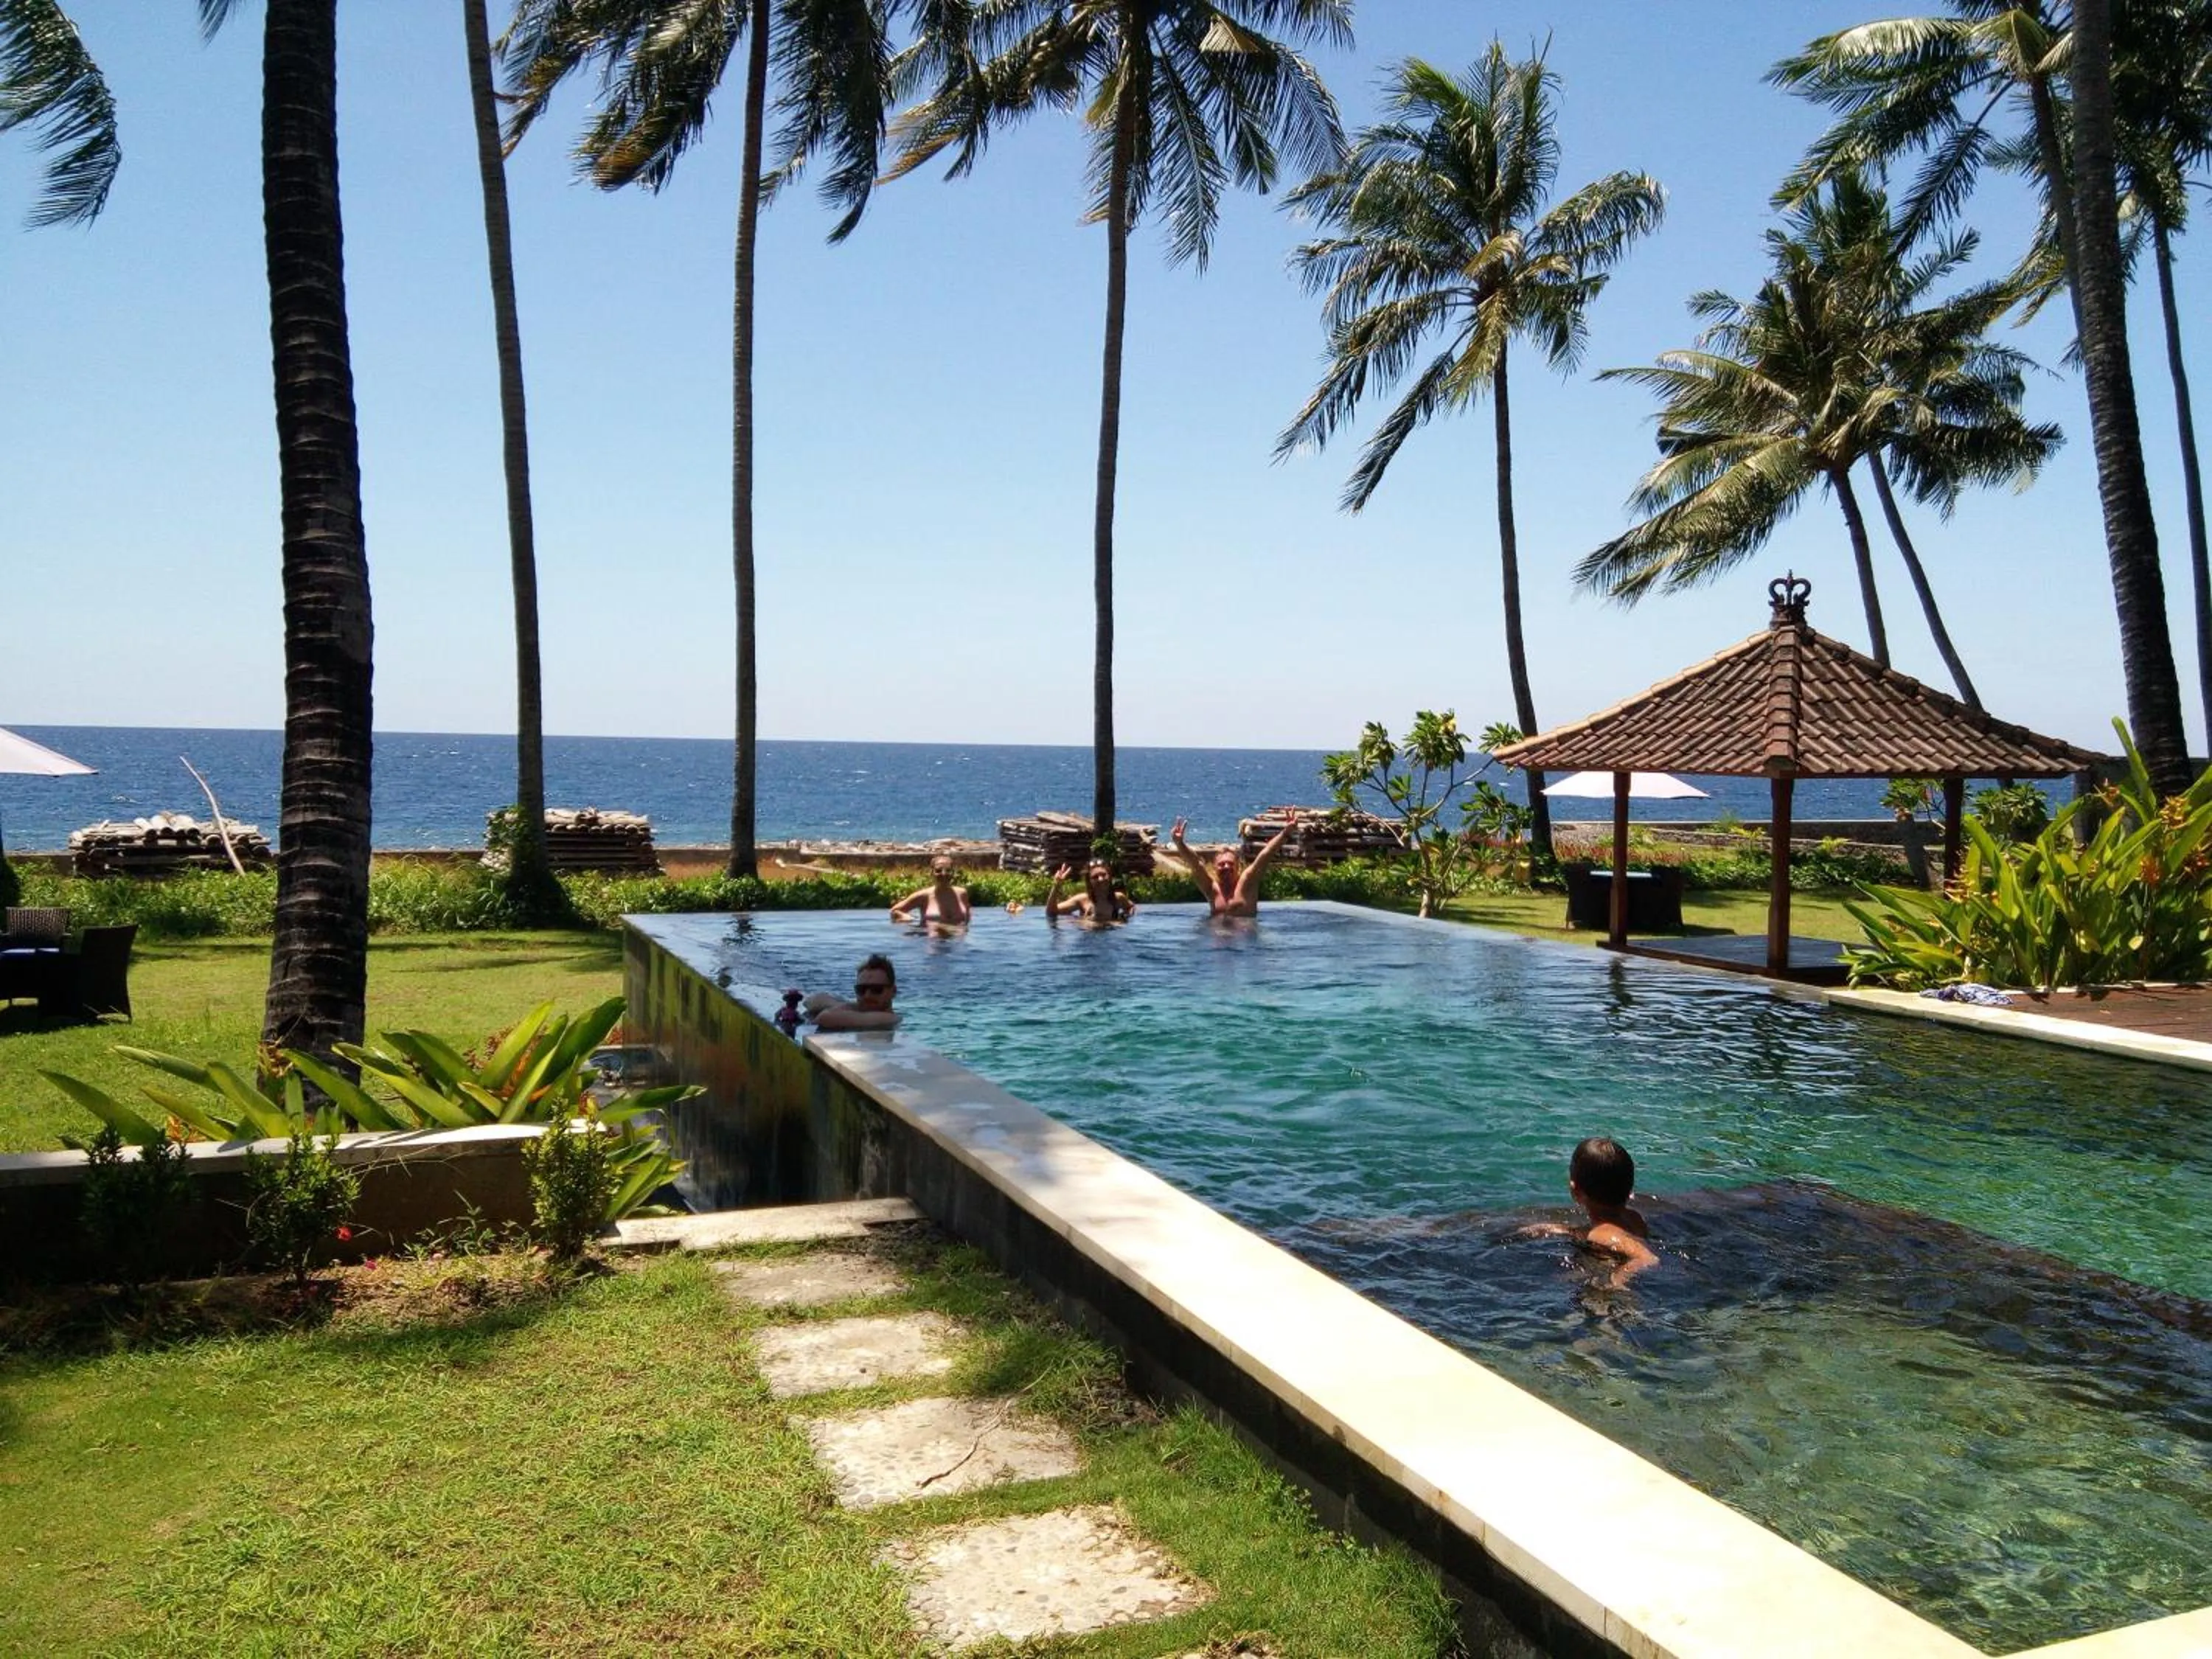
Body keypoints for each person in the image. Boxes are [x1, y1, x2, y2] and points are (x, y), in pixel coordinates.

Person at [1514, 1137, 1658, 1284]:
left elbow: (1647, 1258)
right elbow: (1599, 1233)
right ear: (1630, 1189)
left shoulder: (1603, 1234)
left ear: (1575, 1191)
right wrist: (1557, 1230)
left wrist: (1617, 1281)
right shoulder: (1634, 1218)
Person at [1171, 810, 1298, 919]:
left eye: (1230, 864)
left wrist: (1285, 833)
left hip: (1245, 938)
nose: (1226, 867)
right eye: (1222, 864)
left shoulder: (1247, 883)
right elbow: (1196, 864)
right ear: (1215, 868)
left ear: (1238, 866)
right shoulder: (1212, 889)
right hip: (1216, 937)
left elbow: (1265, 855)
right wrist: (1179, 843)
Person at [804, 953, 901, 1031]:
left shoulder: (890, 1019)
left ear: (893, 992)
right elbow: (813, 1000)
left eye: (876, 989)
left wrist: (845, 1007)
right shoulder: (855, 1009)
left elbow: (825, 1018)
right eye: (861, 990)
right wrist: (842, 1005)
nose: (867, 995)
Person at [890, 855, 973, 928]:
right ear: (932, 873)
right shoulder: (924, 896)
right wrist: (907, 918)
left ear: (953, 873)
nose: (944, 874)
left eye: (948, 870)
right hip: (933, 939)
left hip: (957, 940)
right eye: (938, 871)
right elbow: (895, 911)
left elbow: (967, 919)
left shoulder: (962, 893)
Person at [1046, 859, 1135, 925]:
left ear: (1110, 876)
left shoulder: (1118, 898)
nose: (1101, 879)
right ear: (1089, 881)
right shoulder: (1082, 899)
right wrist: (1056, 885)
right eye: (1095, 877)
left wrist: (1125, 917)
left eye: (1104, 875)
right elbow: (1051, 912)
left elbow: (1131, 907)